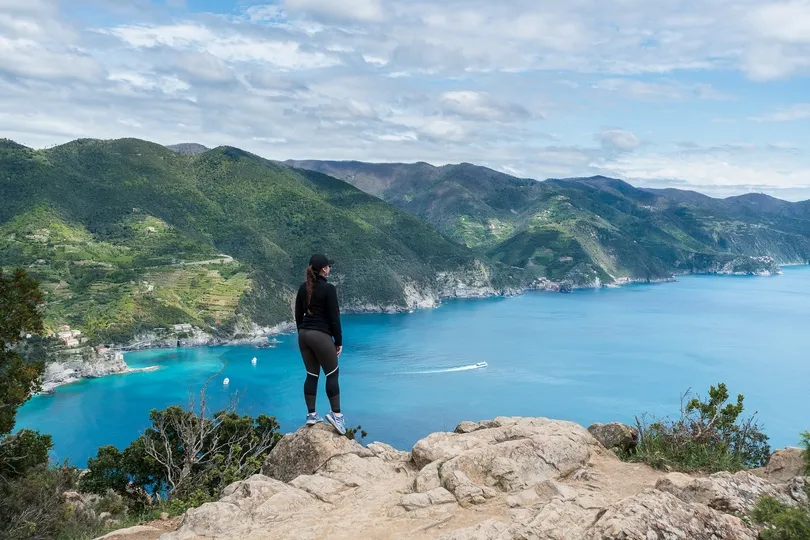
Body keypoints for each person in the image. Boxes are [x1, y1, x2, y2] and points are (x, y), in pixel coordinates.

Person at [294, 254, 346, 434]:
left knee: (311, 374)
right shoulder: (329, 289)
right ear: (324, 269)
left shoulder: (303, 287)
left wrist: (302, 332)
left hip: (303, 335)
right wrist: (338, 341)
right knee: (332, 373)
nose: (330, 268)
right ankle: (336, 415)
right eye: (329, 266)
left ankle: (311, 414)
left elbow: (298, 314)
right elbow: (334, 318)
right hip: (320, 335)